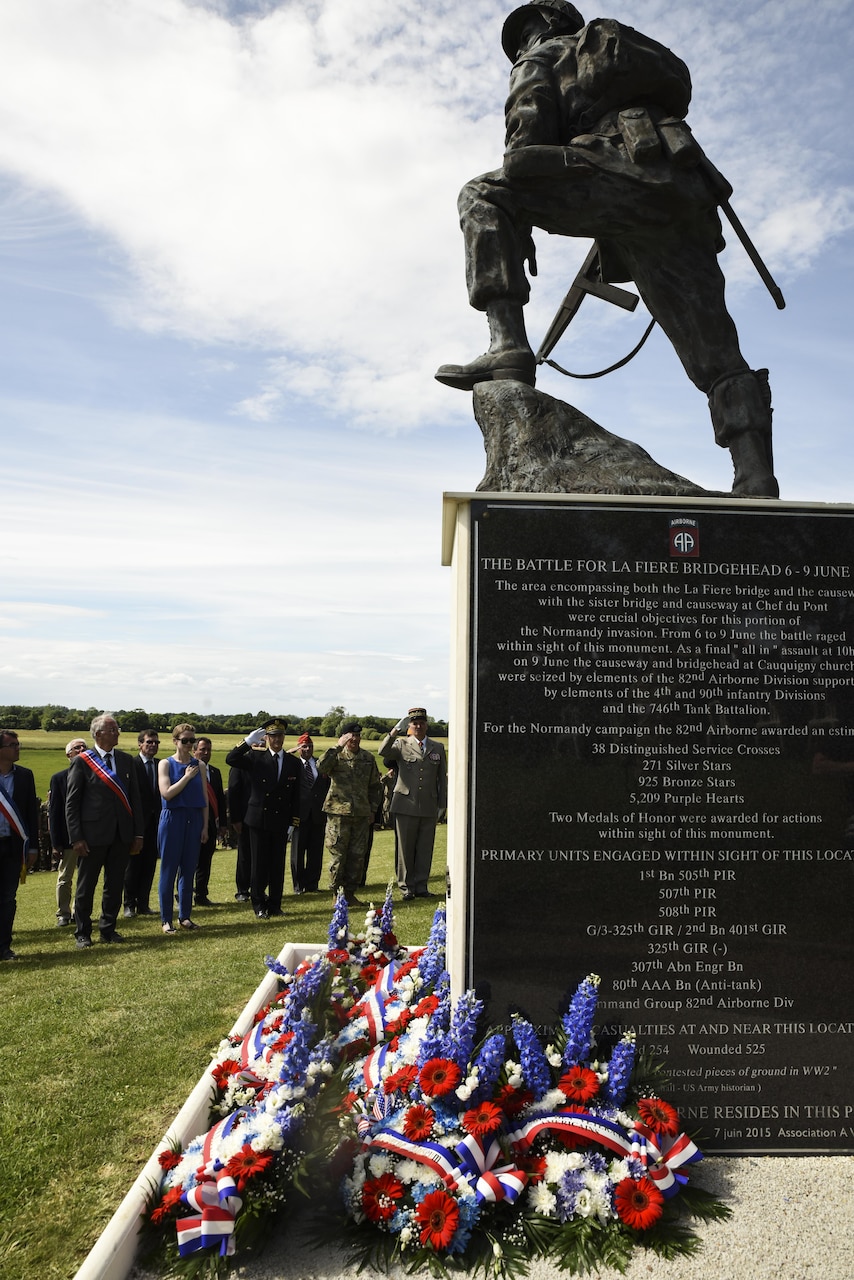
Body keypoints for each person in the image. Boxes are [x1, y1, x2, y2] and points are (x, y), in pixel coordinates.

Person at [434, 0, 778, 499]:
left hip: (612, 168)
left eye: (525, 30)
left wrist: (520, 217)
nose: (521, 44)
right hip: (678, 189)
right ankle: (756, 476)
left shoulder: (544, 55)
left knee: (482, 194)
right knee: (717, 354)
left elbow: (521, 151)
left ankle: (507, 347)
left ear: (551, 24)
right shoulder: (618, 61)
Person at [65, 713, 144, 948]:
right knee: (86, 886)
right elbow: (72, 803)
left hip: (121, 835)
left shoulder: (126, 760)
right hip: (92, 836)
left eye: (117, 729)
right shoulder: (82, 761)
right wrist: (76, 837)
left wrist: (138, 833)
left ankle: (108, 929)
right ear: (98, 734)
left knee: (115, 884)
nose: (118, 732)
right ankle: (83, 932)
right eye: (113, 729)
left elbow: (135, 800)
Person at [225, 719, 300, 919]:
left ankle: (275, 904)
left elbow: (298, 795)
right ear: (266, 738)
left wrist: (294, 821)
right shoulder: (255, 758)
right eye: (273, 736)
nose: (277, 740)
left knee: (277, 865)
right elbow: (231, 759)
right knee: (258, 864)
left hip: (281, 820)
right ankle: (258, 904)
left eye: (280, 736)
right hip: (258, 819)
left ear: (284, 737)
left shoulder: (293, 762)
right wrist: (247, 742)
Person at [379, 708, 448, 900]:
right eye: (414, 723)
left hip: (428, 804)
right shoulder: (401, 744)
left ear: (427, 725)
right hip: (405, 804)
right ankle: (406, 888)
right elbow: (382, 751)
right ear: (409, 726)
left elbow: (441, 778)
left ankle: (421, 886)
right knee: (405, 848)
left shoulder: (437, 747)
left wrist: (442, 803)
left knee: (425, 848)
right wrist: (394, 732)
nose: (418, 726)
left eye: (422, 723)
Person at [318, 720, 382, 907]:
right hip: (338, 815)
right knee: (338, 856)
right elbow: (321, 767)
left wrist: (372, 810)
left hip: (361, 814)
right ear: (344, 737)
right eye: (350, 736)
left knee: (357, 856)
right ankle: (336, 894)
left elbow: (375, 787)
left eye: (357, 735)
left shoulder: (368, 758)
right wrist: (337, 747)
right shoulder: (336, 756)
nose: (354, 739)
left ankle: (350, 894)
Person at [157, 723, 208, 935]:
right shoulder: (165, 764)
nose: (189, 744)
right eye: (185, 740)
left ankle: (185, 916)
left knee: (188, 870)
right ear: (175, 741)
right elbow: (167, 793)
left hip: (194, 818)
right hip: (172, 818)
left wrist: (205, 826)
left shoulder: (200, 766)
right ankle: (166, 919)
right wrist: (186, 777)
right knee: (168, 870)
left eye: (192, 740)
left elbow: (204, 798)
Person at [0, 729, 40, 960]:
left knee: (7, 898)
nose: (18, 748)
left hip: (14, 847)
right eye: (13, 745)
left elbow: (30, 814)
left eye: (18, 744)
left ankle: (4, 947)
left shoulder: (25, 775)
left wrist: (32, 846)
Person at [48, 736, 87, 927]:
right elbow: (54, 813)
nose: (81, 750)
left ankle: (79, 912)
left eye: (84, 747)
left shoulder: (96, 776)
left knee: (86, 878)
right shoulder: (58, 779)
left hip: (91, 836)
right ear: (68, 755)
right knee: (65, 878)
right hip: (69, 838)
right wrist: (56, 842)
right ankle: (63, 913)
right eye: (77, 748)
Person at [123, 728, 161, 918]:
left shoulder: (161, 765)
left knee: (149, 865)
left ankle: (143, 904)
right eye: (149, 742)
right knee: (132, 866)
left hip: (156, 824)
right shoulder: (131, 764)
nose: (153, 745)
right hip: (136, 824)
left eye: (156, 742)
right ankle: (129, 904)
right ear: (140, 744)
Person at [288, 733, 329, 894]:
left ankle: (312, 884)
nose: (307, 749)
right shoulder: (293, 765)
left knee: (315, 851)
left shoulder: (320, 764)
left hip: (318, 814)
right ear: (298, 748)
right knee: (297, 852)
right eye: (304, 746)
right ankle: (298, 886)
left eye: (310, 746)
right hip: (300, 814)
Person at [193, 736, 227, 906]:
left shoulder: (214, 772)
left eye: (209, 750)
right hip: (192, 823)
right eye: (202, 749)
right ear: (194, 751)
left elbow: (220, 799)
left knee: (205, 861)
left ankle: (201, 894)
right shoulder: (189, 770)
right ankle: (181, 894)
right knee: (188, 862)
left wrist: (223, 825)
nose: (206, 753)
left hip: (211, 824)